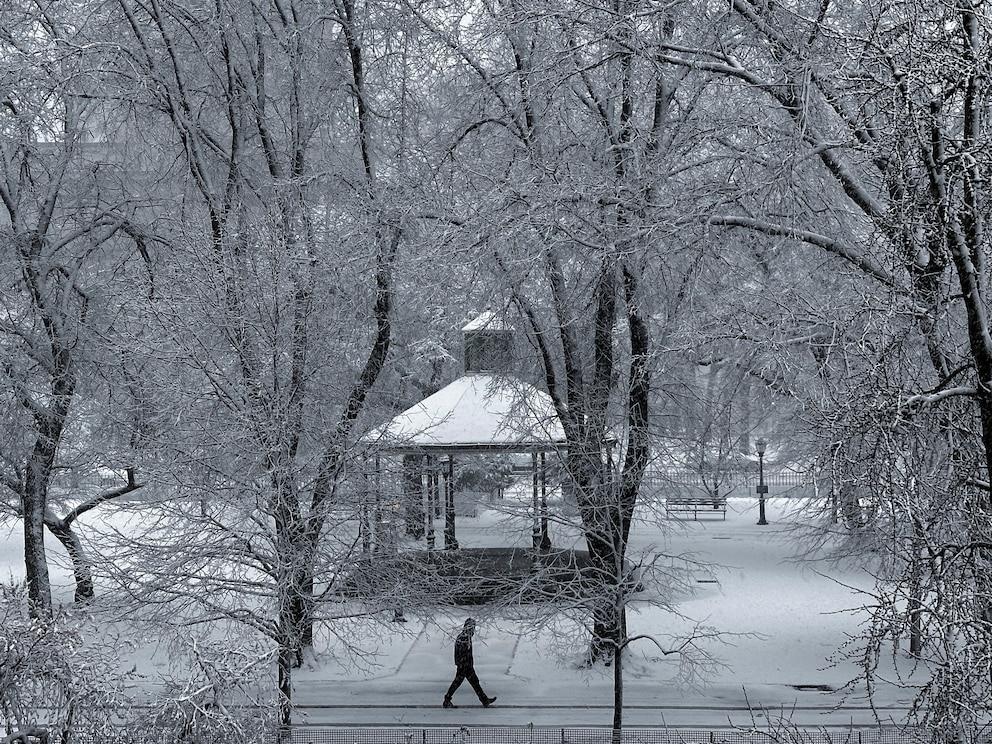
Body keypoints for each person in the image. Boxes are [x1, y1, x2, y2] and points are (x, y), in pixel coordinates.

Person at [442, 618, 496, 708]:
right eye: (473, 627)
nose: (474, 630)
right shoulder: (464, 637)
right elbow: (462, 653)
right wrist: (464, 665)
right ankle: (447, 700)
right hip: (464, 666)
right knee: (458, 683)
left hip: (465, 665)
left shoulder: (465, 636)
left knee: (474, 682)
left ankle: (484, 700)